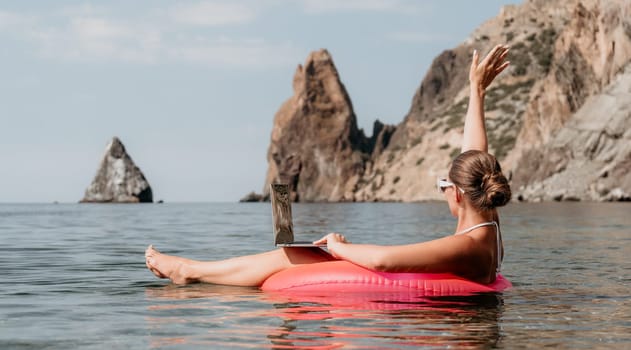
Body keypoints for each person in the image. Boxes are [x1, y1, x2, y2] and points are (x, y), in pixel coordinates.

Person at [145, 44, 512, 286]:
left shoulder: (469, 247)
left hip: (421, 328)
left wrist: (339, 247)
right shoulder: (486, 224)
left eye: (443, 185)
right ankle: (193, 267)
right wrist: (476, 92)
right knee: (293, 251)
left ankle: (189, 271)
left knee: (290, 258)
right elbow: (474, 153)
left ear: (460, 195)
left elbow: (385, 262)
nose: (443, 191)